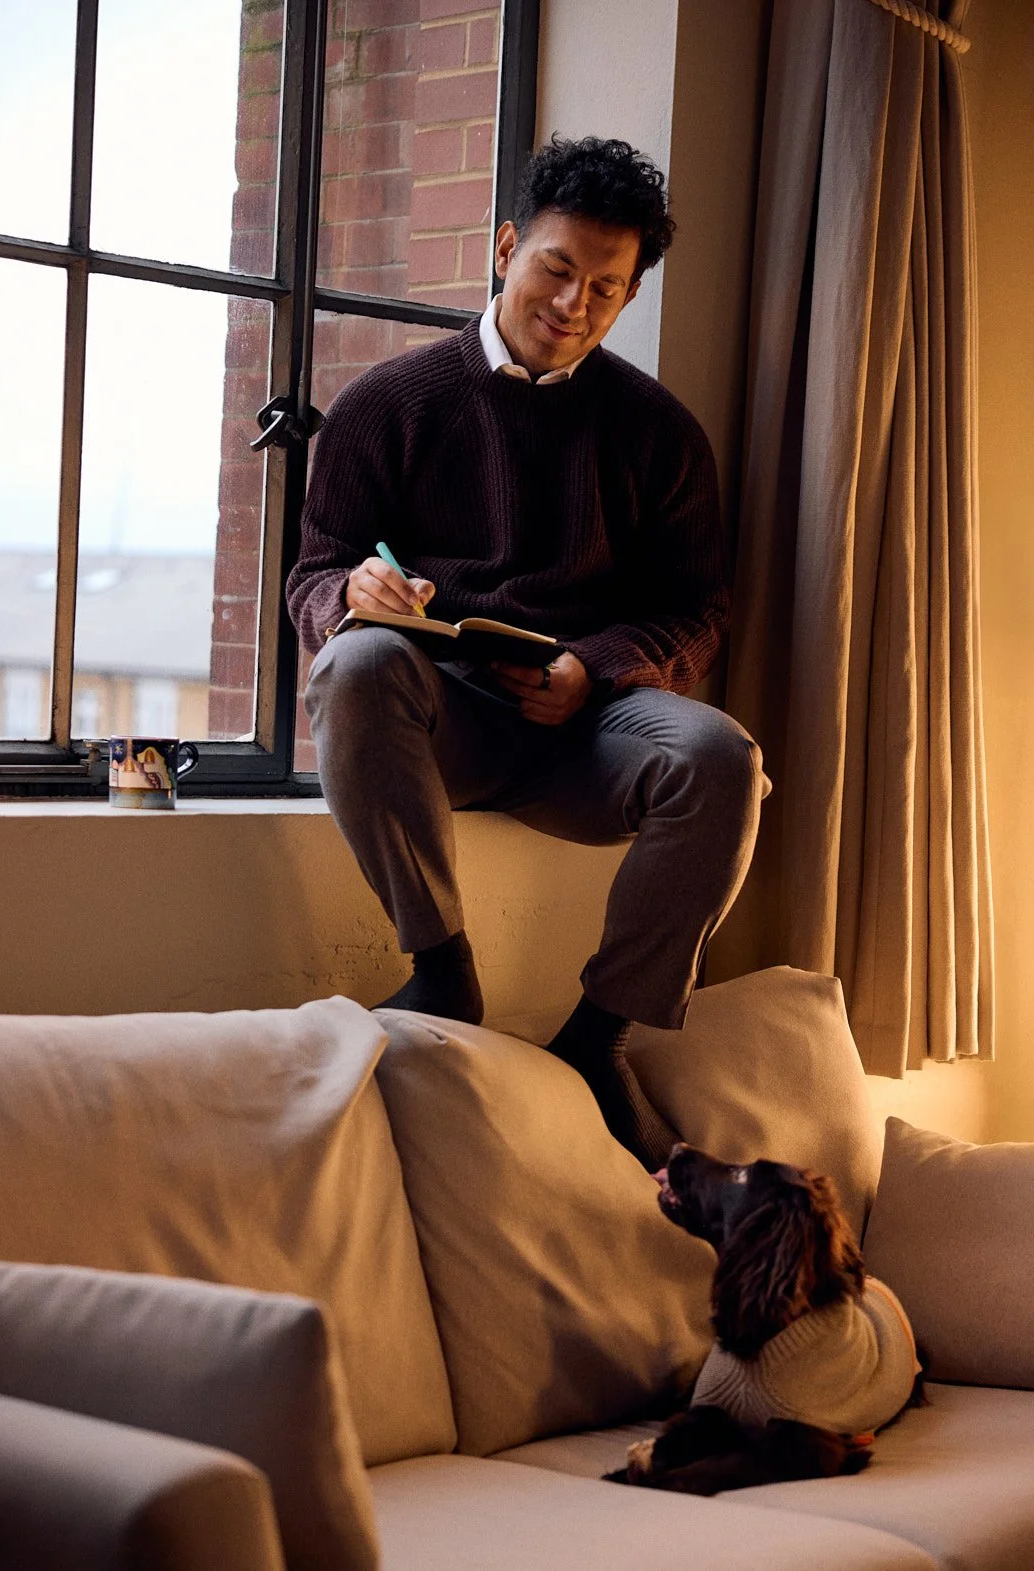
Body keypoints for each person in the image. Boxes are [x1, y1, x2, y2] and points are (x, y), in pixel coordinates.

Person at [287, 135, 768, 1172]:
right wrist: (353, 594)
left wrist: (591, 669)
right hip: (441, 717)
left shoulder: (659, 434)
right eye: (557, 267)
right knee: (358, 663)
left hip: (588, 727)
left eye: (606, 286)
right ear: (506, 246)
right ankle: (442, 965)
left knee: (721, 758)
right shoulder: (388, 404)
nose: (574, 302)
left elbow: (697, 611)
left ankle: (600, 1040)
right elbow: (312, 574)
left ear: (628, 293)